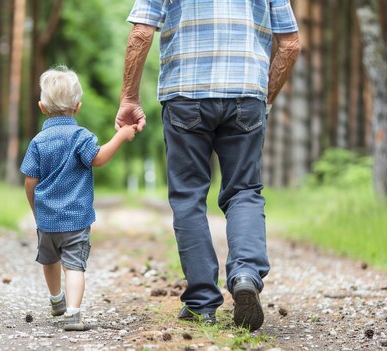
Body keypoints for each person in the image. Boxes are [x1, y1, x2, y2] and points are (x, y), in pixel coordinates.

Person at [116, 0, 301, 331]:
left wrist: (129, 98)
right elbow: (290, 43)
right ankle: (245, 274)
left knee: (188, 196)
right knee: (243, 189)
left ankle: (202, 303)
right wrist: (265, 97)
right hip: (246, 92)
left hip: (185, 94)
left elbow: (142, 31)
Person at [21, 66, 137, 331]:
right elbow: (98, 159)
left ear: (42, 107)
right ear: (78, 106)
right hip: (76, 219)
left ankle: (56, 299)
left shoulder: (38, 142)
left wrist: (36, 210)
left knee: (49, 260)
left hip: (47, 220)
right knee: (74, 267)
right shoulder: (80, 136)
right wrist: (120, 136)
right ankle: (72, 313)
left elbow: (30, 181)